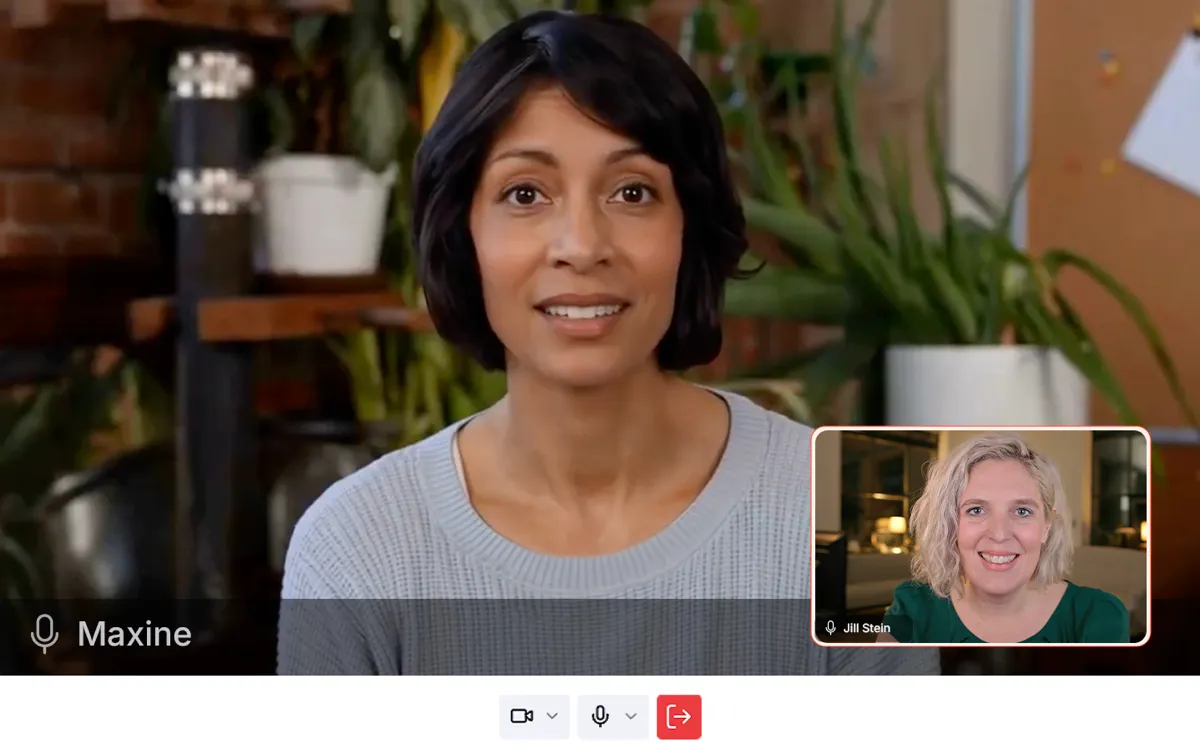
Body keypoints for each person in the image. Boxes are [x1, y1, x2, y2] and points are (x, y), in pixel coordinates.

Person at [278, 10, 937, 676]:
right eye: (526, 193)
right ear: (462, 234)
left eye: (632, 191)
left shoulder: (857, 518)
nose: (582, 246)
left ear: (691, 226)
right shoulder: (357, 545)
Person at [878, 433, 1131, 644]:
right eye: (976, 510)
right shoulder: (912, 609)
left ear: (1046, 527)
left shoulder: (1099, 615)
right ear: (951, 525)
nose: (999, 534)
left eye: (1022, 511)